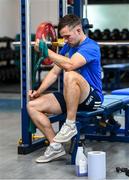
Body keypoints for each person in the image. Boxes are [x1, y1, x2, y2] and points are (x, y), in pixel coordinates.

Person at [27, 14, 104, 163]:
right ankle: (55, 146)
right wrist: (39, 91)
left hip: (92, 98)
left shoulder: (91, 46)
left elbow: (69, 65)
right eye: (64, 38)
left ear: (79, 30)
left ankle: (70, 124)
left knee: (70, 74)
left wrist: (46, 51)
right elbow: (55, 72)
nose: (66, 41)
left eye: (68, 36)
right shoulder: (69, 46)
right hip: (72, 96)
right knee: (32, 105)